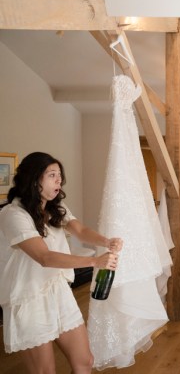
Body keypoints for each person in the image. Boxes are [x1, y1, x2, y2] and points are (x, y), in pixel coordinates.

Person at [0, 152, 122, 373]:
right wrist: (95, 260)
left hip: (58, 291)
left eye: (59, 176)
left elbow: (81, 231)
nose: (59, 180)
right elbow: (44, 257)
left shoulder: (55, 207)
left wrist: (106, 241)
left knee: (85, 361)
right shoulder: (12, 214)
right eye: (52, 175)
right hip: (28, 299)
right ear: (33, 178)